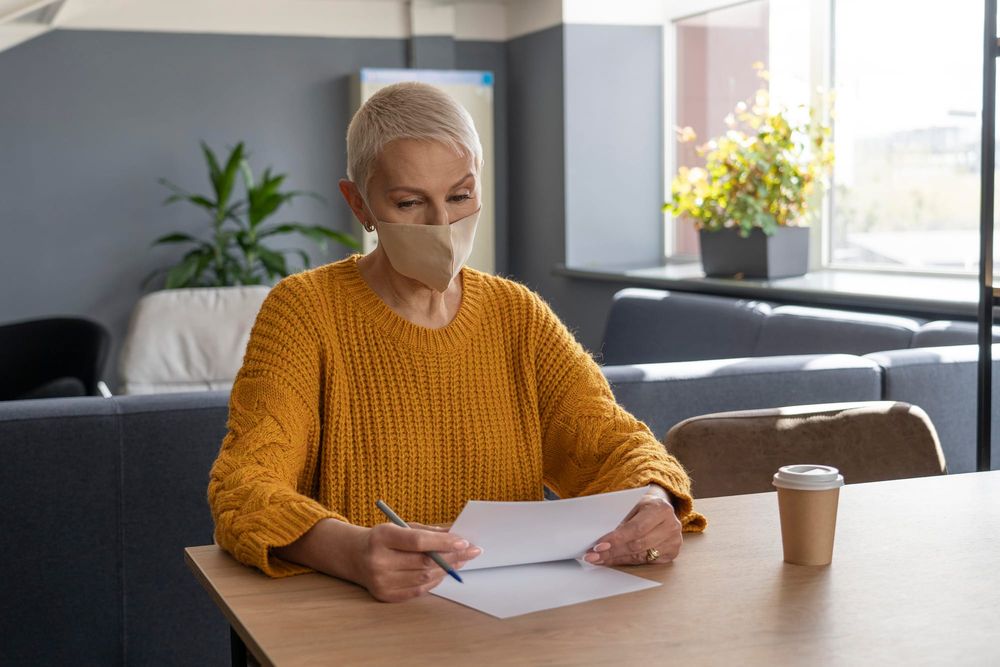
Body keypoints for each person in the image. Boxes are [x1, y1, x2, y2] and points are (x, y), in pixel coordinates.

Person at [208, 82, 706, 603]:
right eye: (409, 202)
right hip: (365, 621)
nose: (442, 224)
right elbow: (244, 486)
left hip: (518, 615)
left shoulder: (518, 315)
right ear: (359, 204)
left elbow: (614, 444)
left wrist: (654, 501)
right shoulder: (304, 311)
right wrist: (351, 552)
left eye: (460, 196)